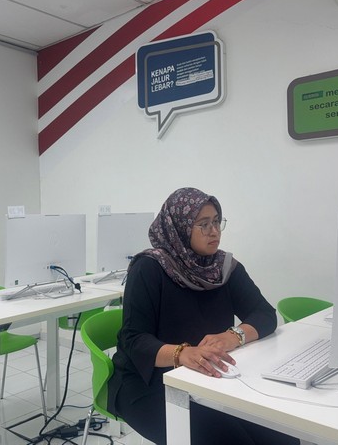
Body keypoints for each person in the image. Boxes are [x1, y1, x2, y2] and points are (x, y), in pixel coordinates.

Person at [107, 187, 299, 445]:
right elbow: (134, 340)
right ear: (180, 227)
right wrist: (181, 353)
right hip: (147, 381)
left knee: (281, 435)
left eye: (217, 221)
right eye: (204, 224)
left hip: (208, 376)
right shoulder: (149, 268)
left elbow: (264, 314)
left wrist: (233, 336)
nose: (214, 231)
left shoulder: (223, 267)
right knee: (227, 438)